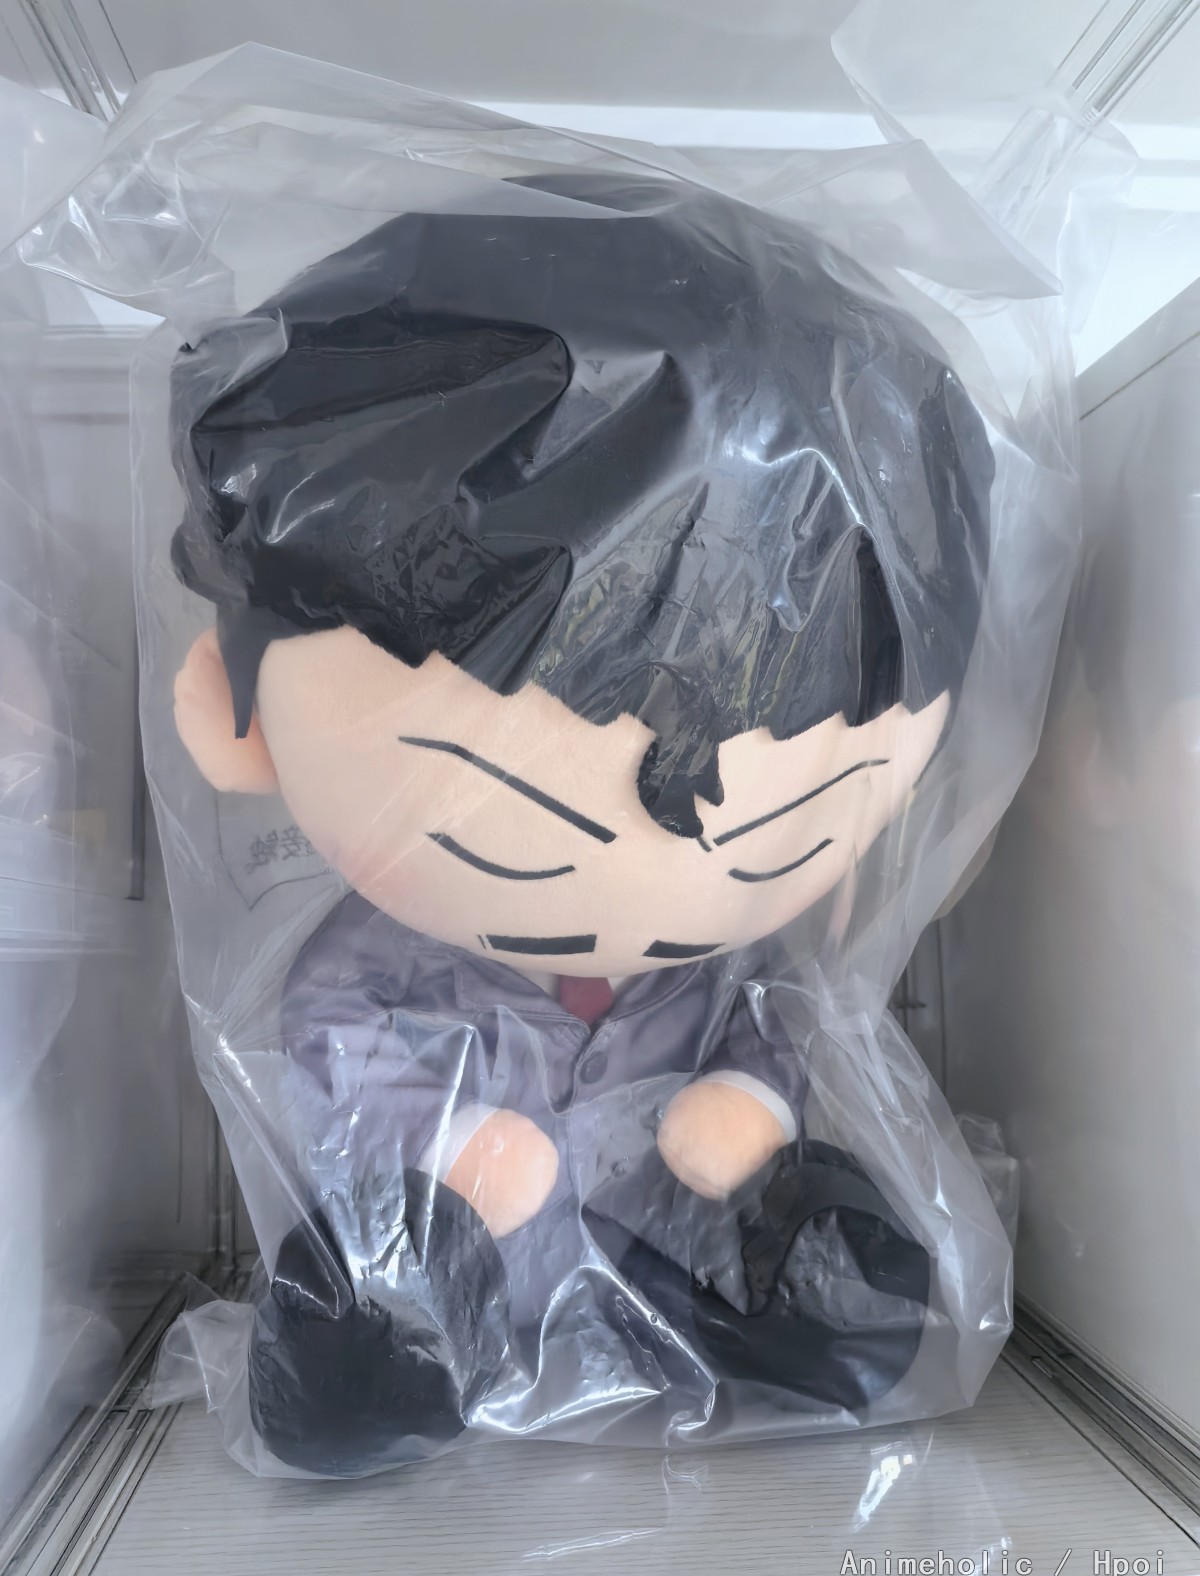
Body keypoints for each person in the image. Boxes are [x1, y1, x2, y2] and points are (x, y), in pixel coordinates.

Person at [169, 170, 992, 1474]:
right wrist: (447, 1142)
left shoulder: (732, 965)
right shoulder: (384, 954)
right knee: (379, 1319)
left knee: (816, 1273)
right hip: (466, 1253)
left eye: (788, 829)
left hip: (668, 1261)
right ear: (237, 723)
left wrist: (745, 1104)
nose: (648, 876)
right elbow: (331, 1040)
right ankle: (380, 1353)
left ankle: (784, 1310)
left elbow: (766, 1029)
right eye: (522, 825)